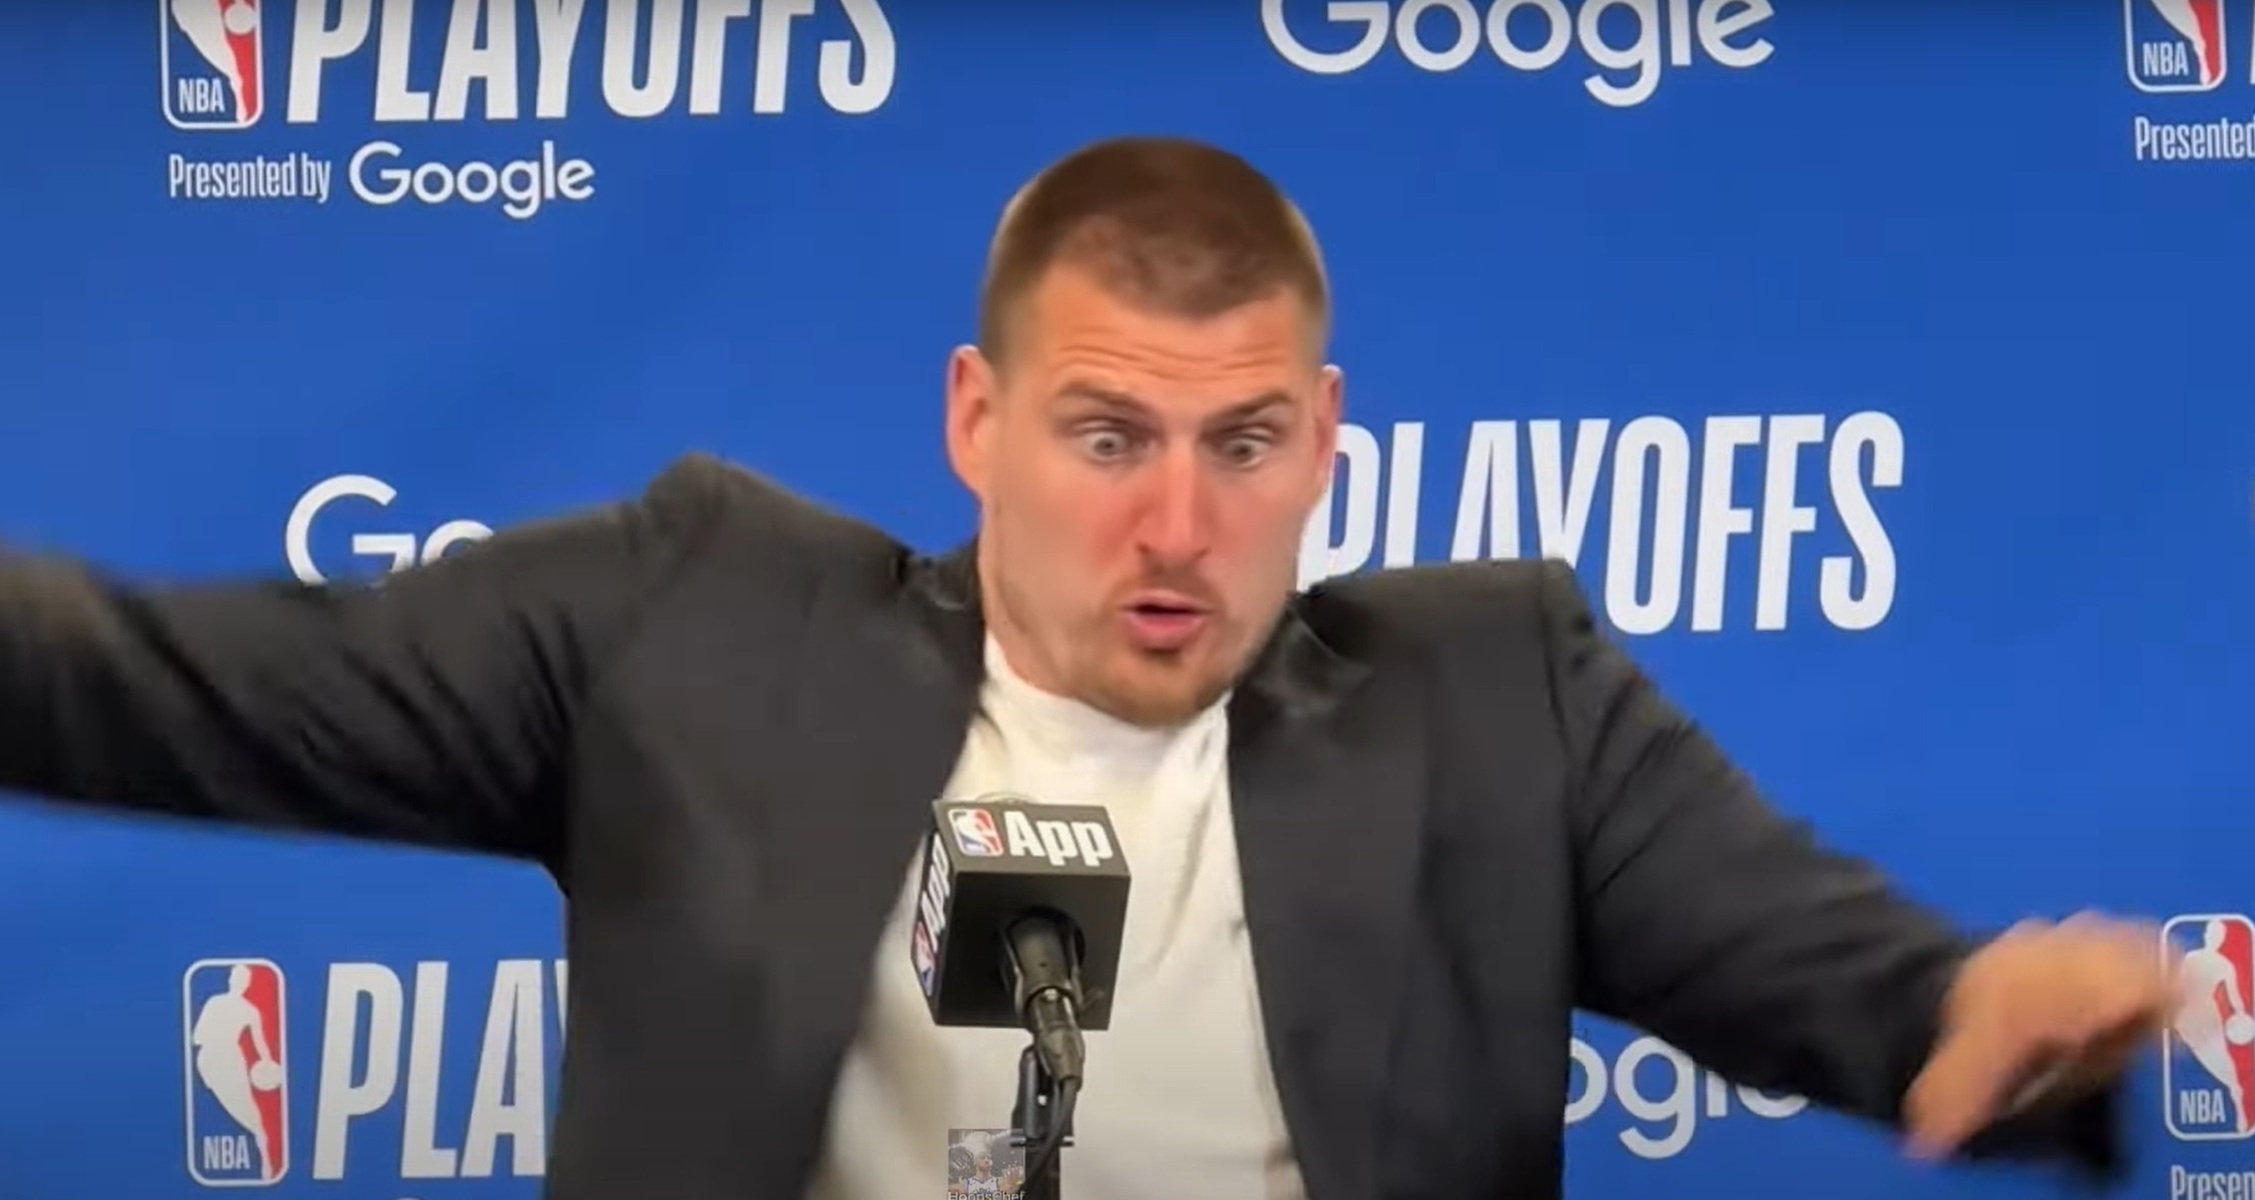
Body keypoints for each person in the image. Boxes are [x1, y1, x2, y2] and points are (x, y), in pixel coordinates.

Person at [0, 136, 2171, 1199]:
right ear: (976, 421)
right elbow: (154, 684)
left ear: (1326, 439)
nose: (1179, 527)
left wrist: (1974, 1011)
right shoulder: (697, 622)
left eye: (1246, 447)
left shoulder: (1495, 698)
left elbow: (1835, 967)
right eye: (1109, 438)